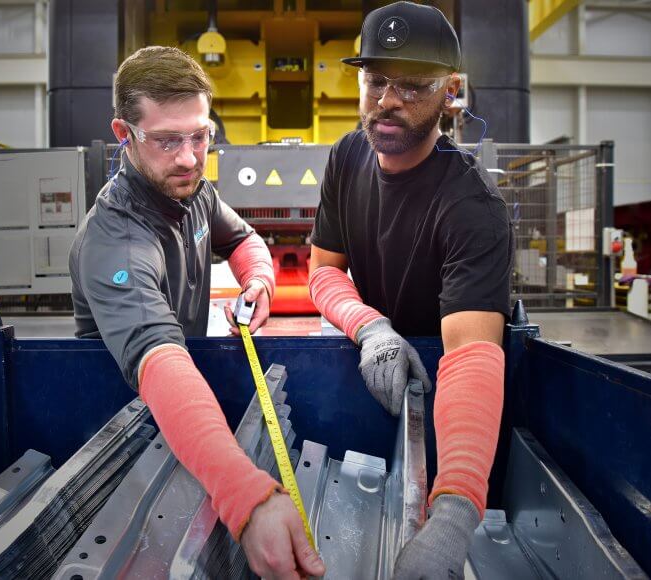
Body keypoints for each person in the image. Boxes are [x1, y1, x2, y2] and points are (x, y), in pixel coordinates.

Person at [69, 46, 324, 580]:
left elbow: (246, 238)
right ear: (124, 132)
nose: (189, 157)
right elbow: (160, 362)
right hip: (126, 436)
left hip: (187, 429)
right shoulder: (115, 239)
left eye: (200, 136)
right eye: (167, 140)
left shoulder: (194, 193)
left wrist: (258, 281)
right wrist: (246, 495)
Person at [308, 2, 513, 578]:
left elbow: (472, 356)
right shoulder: (347, 157)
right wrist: (369, 327)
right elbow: (323, 272)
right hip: (384, 366)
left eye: (413, 84)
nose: (387, 99)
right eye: (375, 80)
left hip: (458, 393)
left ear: (450, 92)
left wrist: (453, 513)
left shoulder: (472, 208)